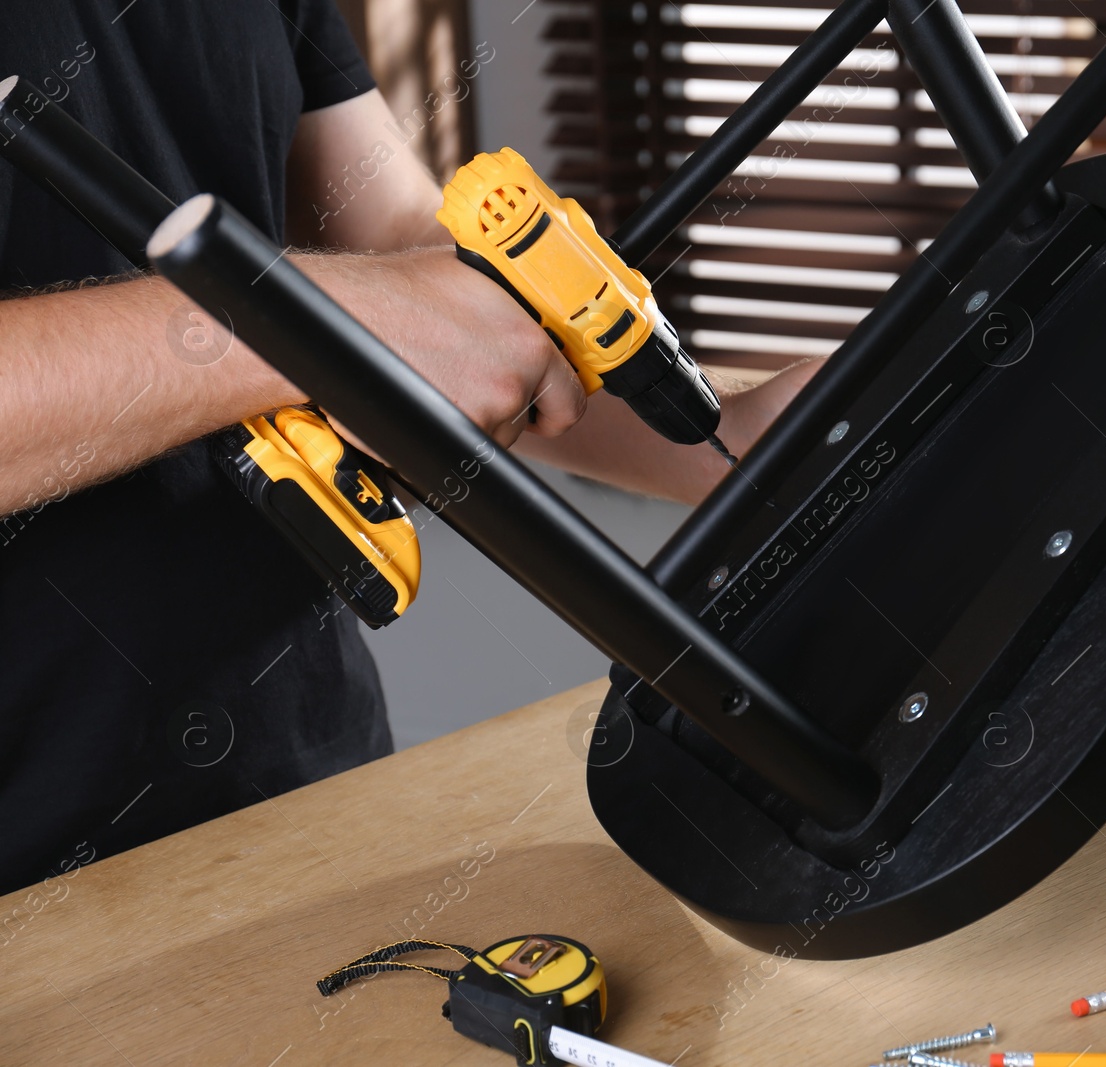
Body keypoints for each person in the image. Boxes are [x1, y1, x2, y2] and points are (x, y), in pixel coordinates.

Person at [0, 1, 813, 896]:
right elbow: (373, 301)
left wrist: (742, 438)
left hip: (314, 781)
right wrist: (306, 316)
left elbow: (387, 239)